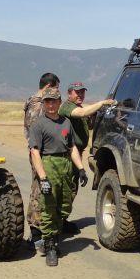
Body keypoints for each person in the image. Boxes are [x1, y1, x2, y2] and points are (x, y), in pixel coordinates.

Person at [27, 87, 89, 267]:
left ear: (59, 102)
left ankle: (54, 236)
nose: (51, 105)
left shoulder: (66, 122)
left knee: (64, 205)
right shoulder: (38, 124)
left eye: (54, 101)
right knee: (49, 207)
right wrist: (43, 178)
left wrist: (81, 168)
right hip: (49, 163)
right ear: (44, 103)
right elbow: (35, 152)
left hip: (65, 165)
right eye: (47, 101)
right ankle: (50, 246)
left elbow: (72, 147)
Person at [57, 82, 115, 201]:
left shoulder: (80, 107)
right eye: (77, 92)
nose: (80, 95)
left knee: (72, 186)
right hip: (67, 154)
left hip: (77, 153)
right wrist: (101, 103)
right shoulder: (67, 107)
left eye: (82, 92)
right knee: (65, 187)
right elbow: (81, 113)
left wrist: (94, 115)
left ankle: (65, 212)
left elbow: (89, 125)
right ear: (69, 94)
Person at [23, 72, 61, 252]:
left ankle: (42, 229)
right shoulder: (37, 105)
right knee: (39, 190)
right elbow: (35, 135)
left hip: (44, 153)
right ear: (48, 87)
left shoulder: (36, 102)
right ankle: (36, 233)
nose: (56, 92)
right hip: (40, 153)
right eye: (55, 88)